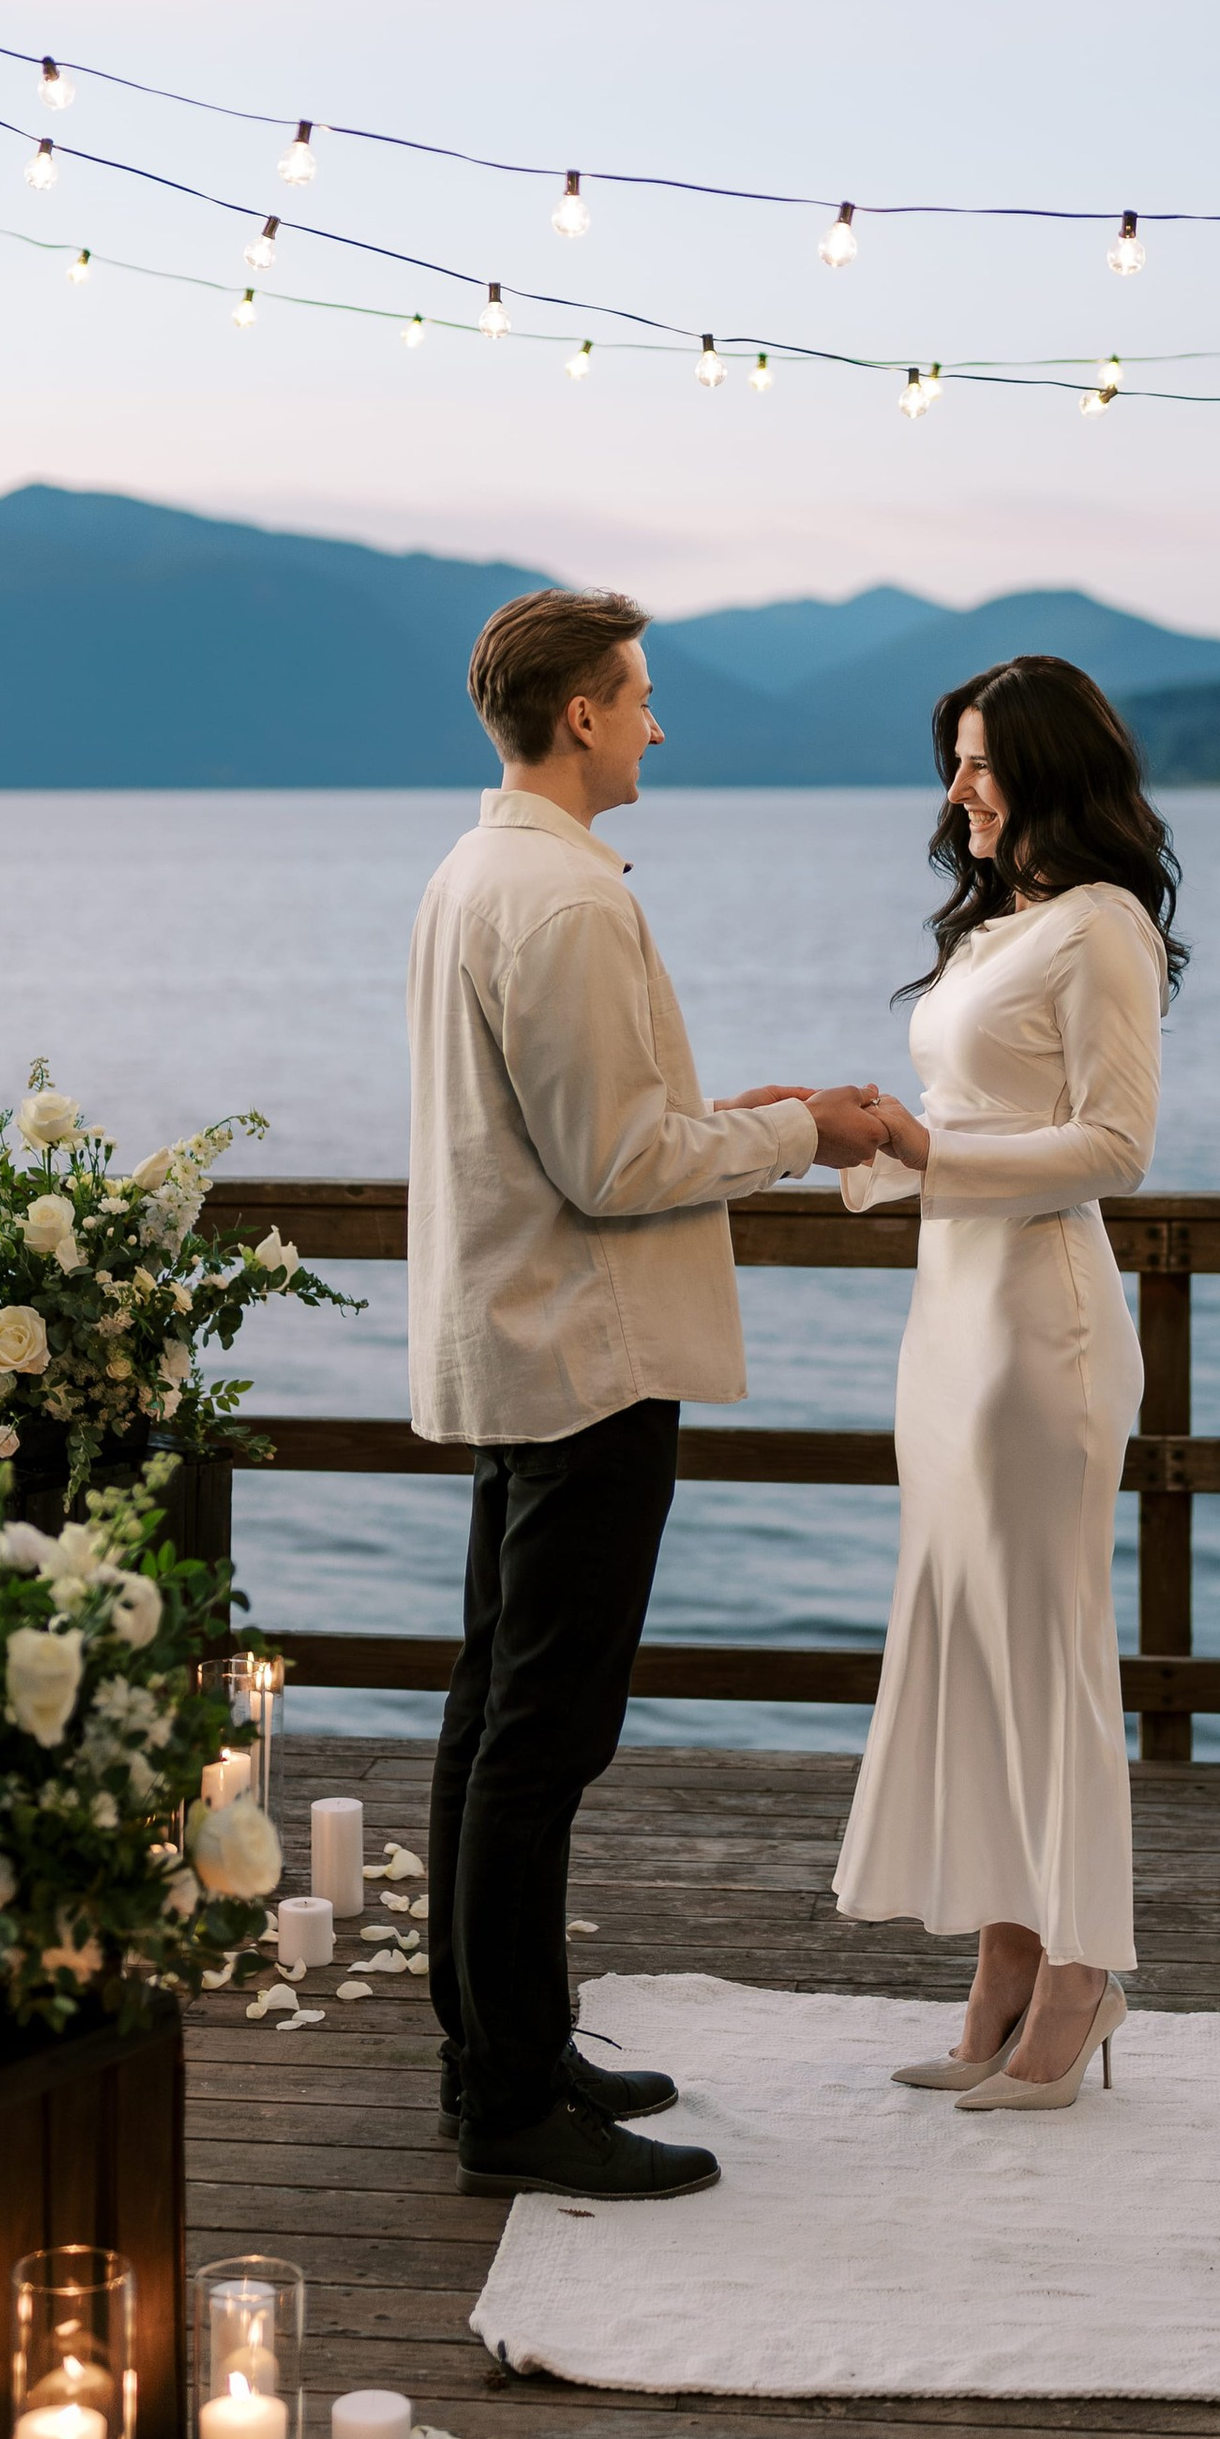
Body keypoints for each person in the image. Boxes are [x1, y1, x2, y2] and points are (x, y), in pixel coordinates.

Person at [408, 585, 888, 2200]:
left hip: (519, 1343)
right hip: (587, 1359)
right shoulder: (565, 903)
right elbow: (617, 1168)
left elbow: (593, 1127)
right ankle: (503, 2102)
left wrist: (725, 1112)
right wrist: (803, 1131)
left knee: (496, 1715)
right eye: (643, 694)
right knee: (545, 1735)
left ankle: (509, 2041)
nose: (661, 723)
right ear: (586, 716)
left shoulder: (477, 872)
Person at [833, 653, 1182, 2111]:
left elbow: (1117, 1150)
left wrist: (929, 1153)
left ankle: (1082, 1981)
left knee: (1052, 1656)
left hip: (1045, 1328)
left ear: (1049, 770)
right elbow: (955, 1123)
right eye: (954, 762)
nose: (958, 790)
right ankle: (1001, 1964)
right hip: (951, 1320)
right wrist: (849, 1135)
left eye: (980, 762)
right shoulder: (1000, 928)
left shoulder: (1101, 930)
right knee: (976, 1647)